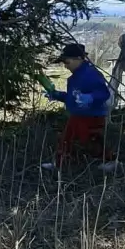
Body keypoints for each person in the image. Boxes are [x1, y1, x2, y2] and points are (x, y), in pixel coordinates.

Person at [43, 42, 114, 171]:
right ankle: (61, 163)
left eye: (67, 62)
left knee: (92, 139)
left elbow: (104, 93)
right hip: (76, 115)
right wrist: (57, 95)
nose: (65, 66)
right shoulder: (73, 79)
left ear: (79, 59)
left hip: (93, 116)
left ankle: (108, 161)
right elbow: (72, 98)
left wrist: (91, 98)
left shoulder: (91, 74)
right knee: (66, 139)